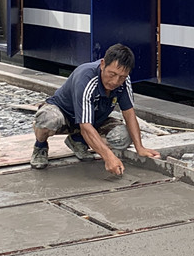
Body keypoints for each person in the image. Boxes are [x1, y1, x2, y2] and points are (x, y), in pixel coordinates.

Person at [30, 43, 160, 175]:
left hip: (94, 119)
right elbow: (85, 126)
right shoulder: (86, 78)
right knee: (47, 119)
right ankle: (40, 146)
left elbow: (129, 113)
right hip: (66, 115)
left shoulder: (124, 82)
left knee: (123, 137)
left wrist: (140, 147)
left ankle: (77, 140)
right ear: (103, 64)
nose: (115, 81)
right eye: (112, 74)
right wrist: (108, 157)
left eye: (122, 77)